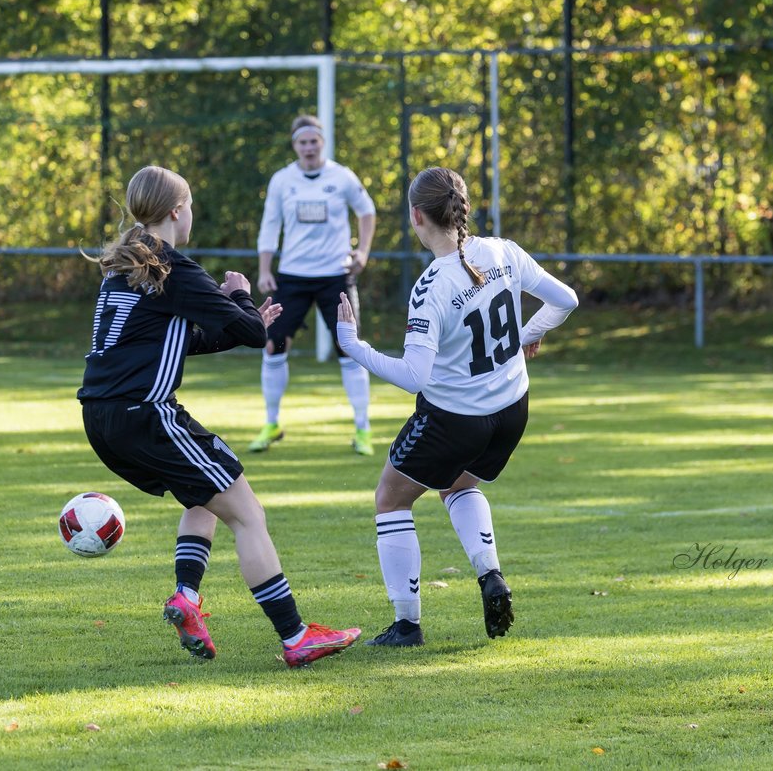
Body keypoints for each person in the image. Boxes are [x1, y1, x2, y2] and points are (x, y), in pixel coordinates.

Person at [77, 164, 360, 667]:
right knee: (249, 515)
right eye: (190, 207)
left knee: (203, 497)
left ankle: (186, 597)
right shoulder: (172, 267)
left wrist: (237, 317)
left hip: (103, 418)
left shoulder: (125, 265)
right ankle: (296, 638)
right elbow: (254, 334)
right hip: (145, 414)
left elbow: (176, 341)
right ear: (175, 211)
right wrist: (240, 296)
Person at [335, 166, 579, 647]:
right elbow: (566, 299)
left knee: (390, 498)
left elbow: (414, 377)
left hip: (455, 418)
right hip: (512, 410)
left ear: (416, 216)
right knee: (457, 485)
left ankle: (407, 626)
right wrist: (528, 335)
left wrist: (354, 346)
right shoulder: (502, 251)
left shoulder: (431, 286)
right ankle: (490, 575)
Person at [248, 114, 378, 456]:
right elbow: (269, 225)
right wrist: (265, 268)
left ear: (323, 143)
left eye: (314, 141)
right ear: (295, 145)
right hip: (291, 277)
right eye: (302, 142)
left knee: (349, 348)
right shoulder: (282, 181)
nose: (308, 148)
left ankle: (363, 429)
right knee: (273, 345)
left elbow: (367, 211)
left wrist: (363, 251)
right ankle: (271, 422)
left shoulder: (342, 176)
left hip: (335, 276)